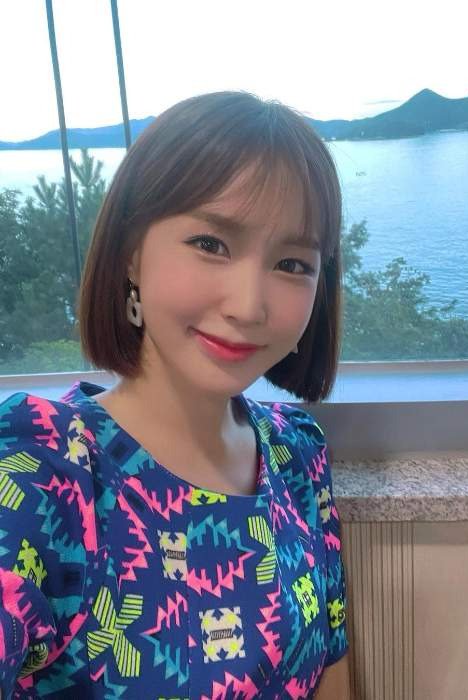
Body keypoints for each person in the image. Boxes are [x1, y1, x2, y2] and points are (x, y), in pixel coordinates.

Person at [0, 91, 350, 699]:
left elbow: (333, 666)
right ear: (132, 254)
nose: (249, 306)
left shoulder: (297, 453)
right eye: (211, 244)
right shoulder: (47, 471)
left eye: (293, 264)